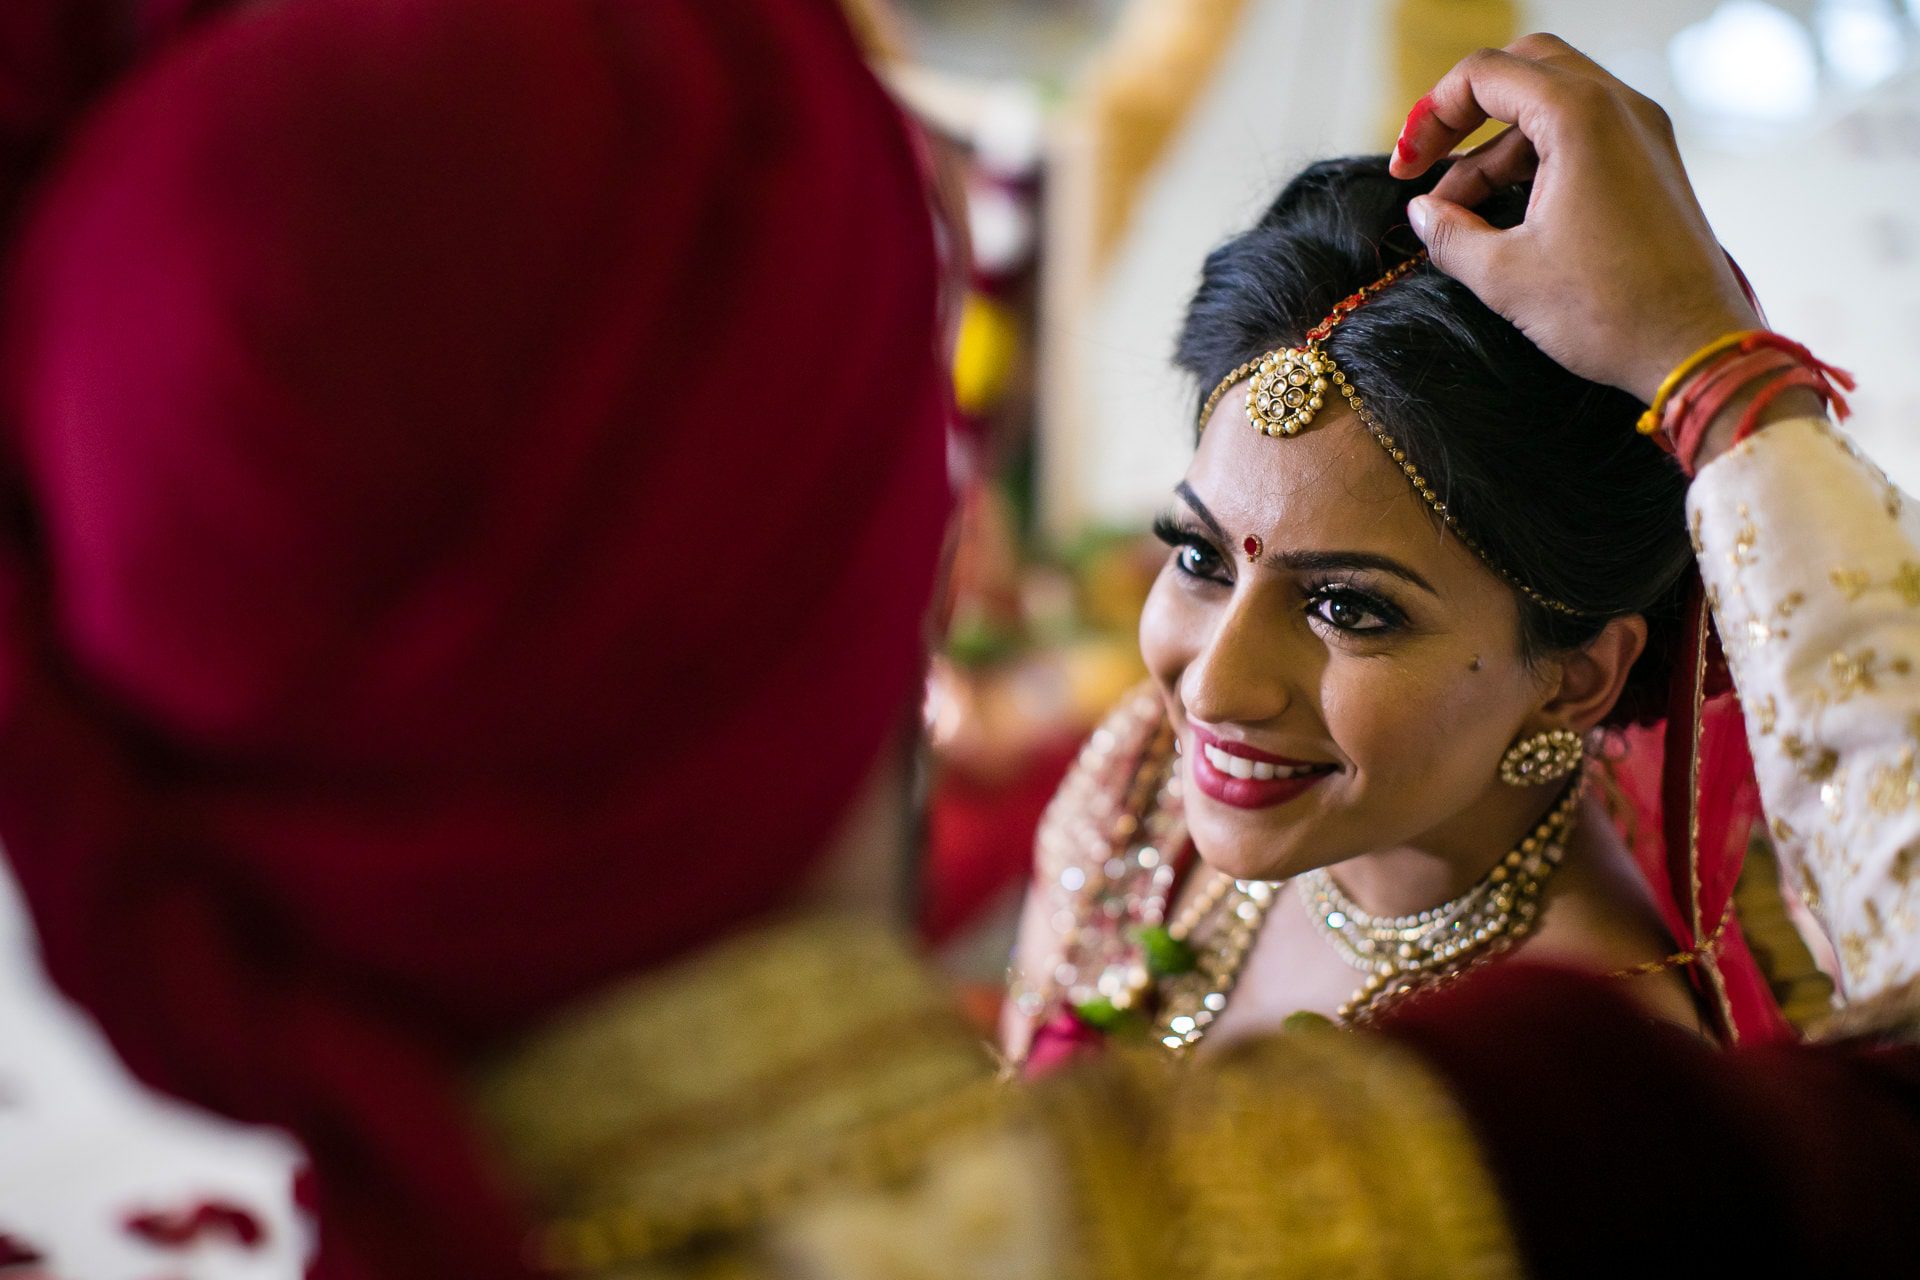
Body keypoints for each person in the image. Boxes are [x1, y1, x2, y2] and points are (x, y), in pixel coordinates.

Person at [0, 10, 1915, 1280]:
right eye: (1198, 553)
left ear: (1585, 672)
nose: (1209, 680)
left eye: (1345, 607)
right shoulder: (1536, 1159)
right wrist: (1715, 383)